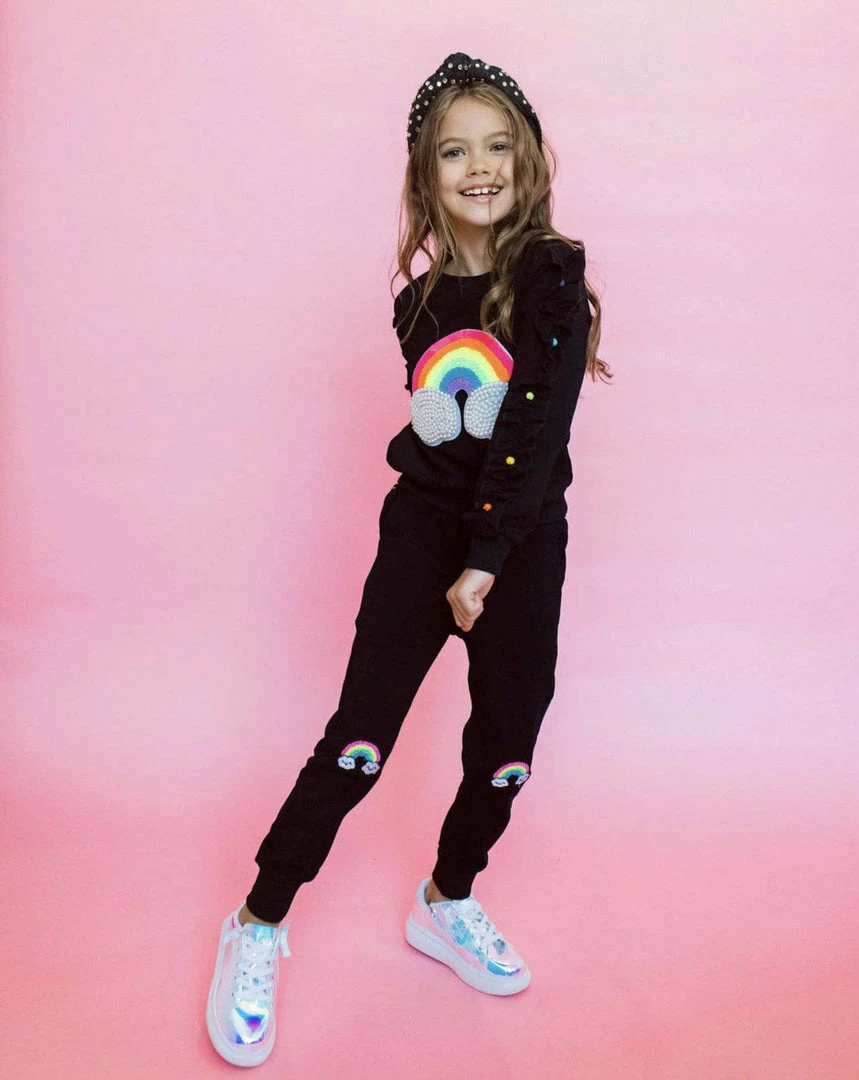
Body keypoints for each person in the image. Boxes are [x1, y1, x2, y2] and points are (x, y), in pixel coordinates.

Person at [206, 49, 609, 1068]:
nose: (480, 168)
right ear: (426, 176)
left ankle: (446, 899)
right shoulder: (417, 303)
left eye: (498, 147)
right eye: (454, 153)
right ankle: (256, 921)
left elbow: (532, 428)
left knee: (507, 746)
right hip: (422, 535)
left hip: (518, 543)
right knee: (359, 741)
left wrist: (488, 559)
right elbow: (442, 433)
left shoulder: (552, 277)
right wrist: (451, 550)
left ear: (526, 161)